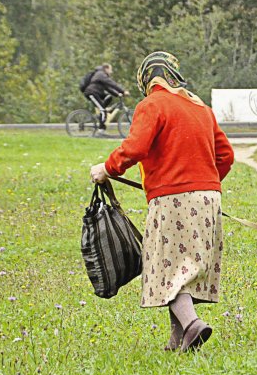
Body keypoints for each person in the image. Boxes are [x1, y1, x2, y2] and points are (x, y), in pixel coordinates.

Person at [90, 51, 235, 352]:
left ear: (147, 79)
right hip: (209, 199)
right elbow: (226, 156)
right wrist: (203, 182)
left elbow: (136, 147)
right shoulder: (200, 107)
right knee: (183, 266)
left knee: (165, 267)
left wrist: (106, 169)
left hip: (172, 200)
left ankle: (193, 324)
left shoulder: (152, 104)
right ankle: (177, 339)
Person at [81, 63, 129, 134]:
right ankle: (101, 129)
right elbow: (111, 83)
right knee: (103, 111)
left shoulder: (102, 75)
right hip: (91, 93)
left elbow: (108, 88)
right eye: (110, 70)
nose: (111, 72)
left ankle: (103, 111)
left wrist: (118, 94)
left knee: (109, 97)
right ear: (106, 69)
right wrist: (123, 91)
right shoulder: (101, 74)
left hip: (96, 93)